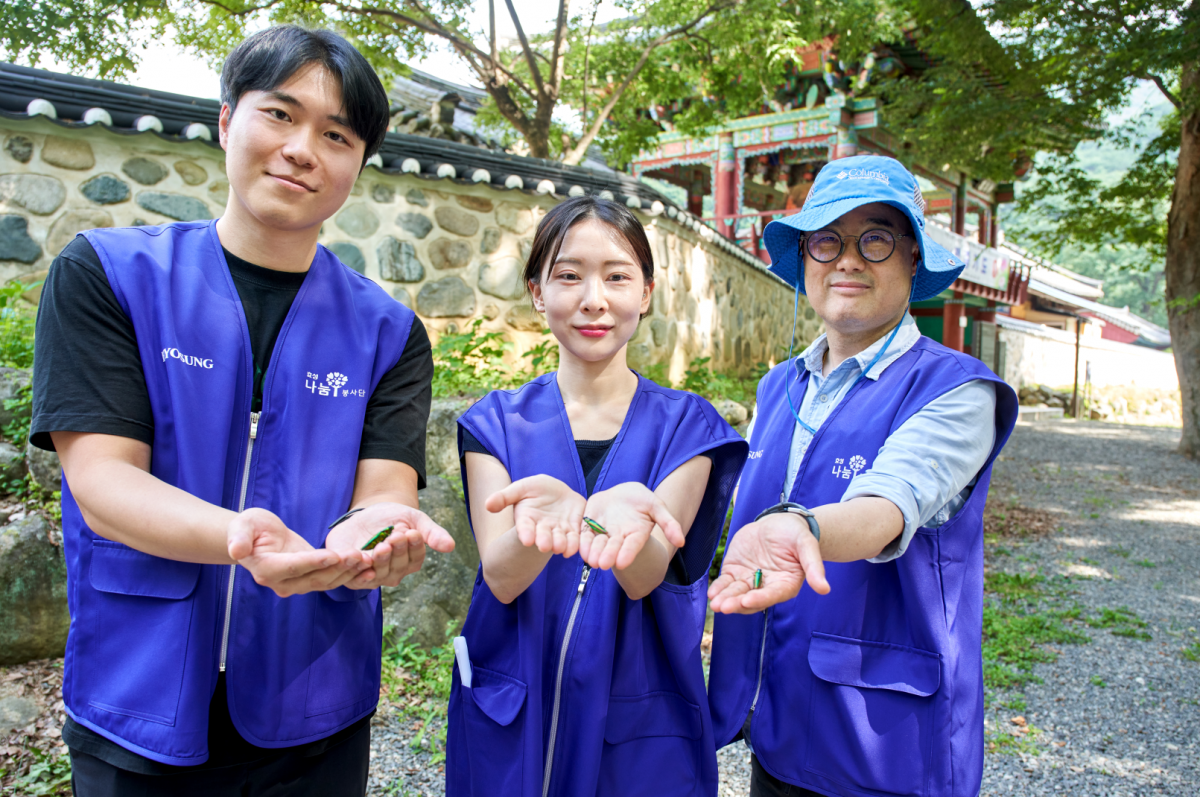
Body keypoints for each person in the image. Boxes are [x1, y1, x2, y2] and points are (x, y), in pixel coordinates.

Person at [30, 26, 454, 796]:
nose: (302, 150)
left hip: (314, 702)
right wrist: (238, 537)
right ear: (228, 121)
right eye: (281, 115)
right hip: (139, 693)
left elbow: (385, 489)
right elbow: (102, 481)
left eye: (336, 134)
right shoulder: (109, 276)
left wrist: (376, 530)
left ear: (357, 165)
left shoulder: (389, 332)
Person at [706, 155, 1018, 797]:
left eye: (875, 239)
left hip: (884, 743)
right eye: (827, 240)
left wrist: (803, 528)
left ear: (910, 259)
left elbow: (889, 503)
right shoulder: (778, 385)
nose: (847, 260)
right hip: (776, 724)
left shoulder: (958, 391)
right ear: (807, 260)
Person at [444, 196, 748, 797]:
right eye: (568, 275)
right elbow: (501, 577)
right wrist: (547, 527)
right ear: (536, 291)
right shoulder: (495, 424)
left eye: (616, 276)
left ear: (647, 292)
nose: (594, 299)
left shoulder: (690, 428)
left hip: (637, 716)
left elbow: (646, 574)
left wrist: (608, 521)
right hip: (514, 700)